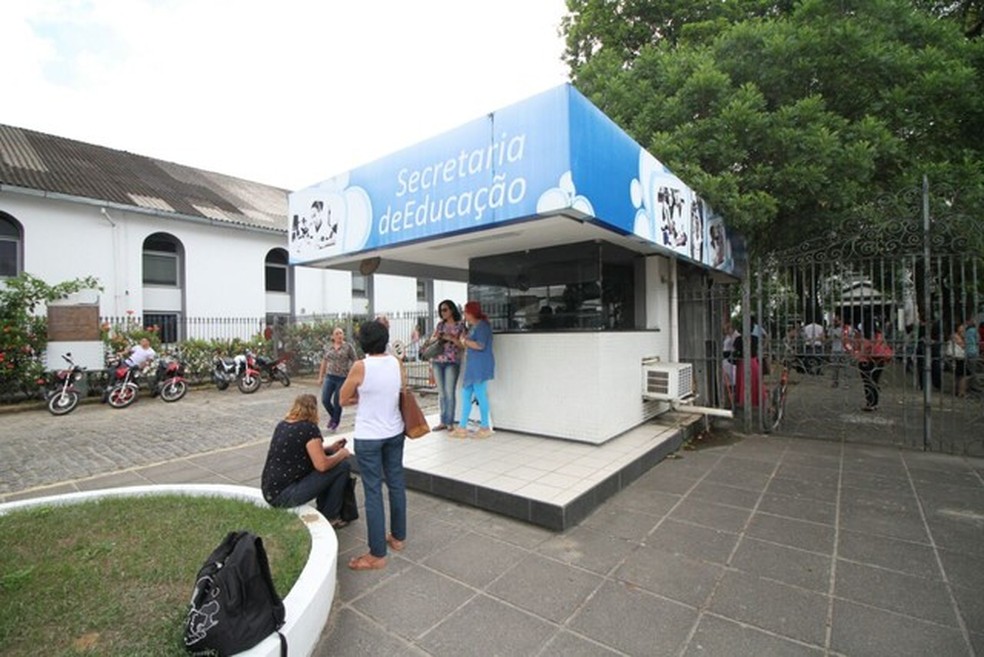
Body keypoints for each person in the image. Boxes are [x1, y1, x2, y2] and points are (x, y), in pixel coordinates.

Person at [340, 319, 407, 571]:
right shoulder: (396, 362)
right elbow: (399, 389)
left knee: (373, 492)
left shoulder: (360, 366)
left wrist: (361, 395)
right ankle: (398, 538)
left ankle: (377, 554)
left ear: (363, 342)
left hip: (370, 436)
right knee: (396, 484)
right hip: (395, 432)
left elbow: (342, 397)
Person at [260, 394, 352, 528]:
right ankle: (330, 516)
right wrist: (341, 454)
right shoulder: (309, 429)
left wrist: (330, 449)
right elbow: (321, 465)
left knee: (331, 464)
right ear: (314, 410)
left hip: (270, 492)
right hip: (284, 496)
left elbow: (298, 452)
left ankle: (326, 509)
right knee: (342, 466)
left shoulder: (282, 425)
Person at [451, 301, 495, 439]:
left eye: (466, 312)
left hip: (480, 366)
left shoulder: (483, 327)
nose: (464, 314)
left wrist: (465, 341)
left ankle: (485, 427)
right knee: (466, 394)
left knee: (481, 395)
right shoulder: (474, 327)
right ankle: (462, 427)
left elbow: (480, 345)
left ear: (472, 312)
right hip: (472, 366)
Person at [430, 300, 465, 431]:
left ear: (452, 310)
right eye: (441, 310)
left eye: (445, 309)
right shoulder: (440, 325)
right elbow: (431, 340)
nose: (442, 313)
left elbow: (463, 345)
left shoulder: (460, 325)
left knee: (450, 392)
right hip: (437, 360)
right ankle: (442, 421)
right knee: (442, 393)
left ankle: (450, 422)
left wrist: (450, 338)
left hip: (452, 361)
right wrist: (437, 337)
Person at [318, 327, 357, 433]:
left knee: (337, 401)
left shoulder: (348, 347)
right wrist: (321, 376)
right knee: (325, 400)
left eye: (341, 333)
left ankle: (335, 421)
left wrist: (352, 374)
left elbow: (354, 360)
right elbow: (324, 361)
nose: (339, 335)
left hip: (342, 377)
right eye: (337, 334)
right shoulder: (328, 347)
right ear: (333, 336)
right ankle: (334, 417)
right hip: (330, 376)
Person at [854, 322, 893, 411]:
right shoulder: (879, 335)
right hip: (879, 360)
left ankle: (870, 403)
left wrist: (857, 353)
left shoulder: (862, 336)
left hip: (865, 361)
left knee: (867, 383)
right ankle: (875, 403)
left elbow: (859, 348)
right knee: (874, 382)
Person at [721, 320, 740, 404]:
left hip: (731, 360)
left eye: (726, 329)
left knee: (733, 380)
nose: (725, 331)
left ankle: (735, 398)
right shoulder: (728, 337)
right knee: (727, 380)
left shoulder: (736, 336)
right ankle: (728, 400)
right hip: (725, 361)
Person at [948, 323, 968, 398]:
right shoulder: (955, 336)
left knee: (958, 375)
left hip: (958, 357)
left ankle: (956, 391)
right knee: (962, 375)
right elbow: (963, 345)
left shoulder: (957, 335)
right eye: (962, 327)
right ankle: (961, 392)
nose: (963, 329)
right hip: (958, 357)